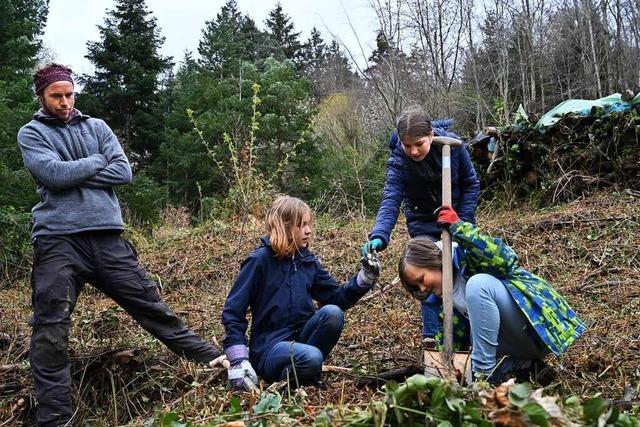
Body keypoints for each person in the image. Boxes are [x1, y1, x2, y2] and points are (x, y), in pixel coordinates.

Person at [17, 63, 221, 426]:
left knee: (150, 304)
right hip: (57, 241)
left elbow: (122, 171)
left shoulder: (97, 127)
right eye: (56, 96)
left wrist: (76, 169)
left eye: (69, 94)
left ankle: (215, 361)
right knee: (50, 327)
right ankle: (54, 418)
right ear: (42, 97)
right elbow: (52, 175)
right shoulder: (31, 133)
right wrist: (97, 161)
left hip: (107, 237)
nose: (65, 102)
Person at [397, 205, 585, 384]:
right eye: (416, 286)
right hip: (515, 347)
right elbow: (452, 345)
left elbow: (506, 259)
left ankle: (484, 376)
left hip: (534, 327)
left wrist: (460, 229)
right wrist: (442, 369)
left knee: (478, 286)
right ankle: (526, 367)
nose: (421, 289)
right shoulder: (443, 304)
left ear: (434, 260)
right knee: (465, 364)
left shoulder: (467, 254)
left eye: (421, 279)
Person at [222, 195, 380, 390]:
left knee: (332, 314)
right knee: (312, 357)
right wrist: (238, 359)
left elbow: (335, 298)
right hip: (270, 347)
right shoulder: (259, 261)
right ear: (285, 227)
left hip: (301, 339)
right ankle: (296, 376)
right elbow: (233, 311)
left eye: (308, 224)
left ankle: (304, 374)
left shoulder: (307, 261)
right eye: (302, 225)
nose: (309, 230)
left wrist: (364, 279)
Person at [361, 106, 481, 344]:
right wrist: (380, 234)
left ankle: (469, 334)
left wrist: (461, 221)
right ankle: (433, 337)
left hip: (457, 218)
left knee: (462, 272)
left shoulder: (453, 147)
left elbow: (471, 184)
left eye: (419, 144)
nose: (414, 151)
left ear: (431, 135)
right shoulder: (399, 160)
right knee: (424, 273)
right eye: (408, 146)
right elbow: (391, 199)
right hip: (423, 223)